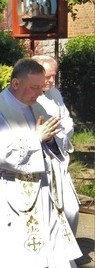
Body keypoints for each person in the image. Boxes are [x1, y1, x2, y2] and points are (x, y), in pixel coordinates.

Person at [0, 58, 86, 268]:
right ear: (16, 83)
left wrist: (54, 136)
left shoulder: (33, 105)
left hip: (42, 195)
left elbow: (53, 142)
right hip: (9, 196)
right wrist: (36, 138)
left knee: (55, 257)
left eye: (41, 87)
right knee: (13, 260)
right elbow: (0, 155)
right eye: (35, 87)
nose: (40, 93)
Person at [32, 54, 80, 234]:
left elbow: (66, 119)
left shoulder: (55, 93)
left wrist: (59, 132)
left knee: (71, 208)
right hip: (41, 161)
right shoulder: (27, 95)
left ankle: (68, 250)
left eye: (54, 75)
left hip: (59, 158)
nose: (52, 81)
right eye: (48, 76)